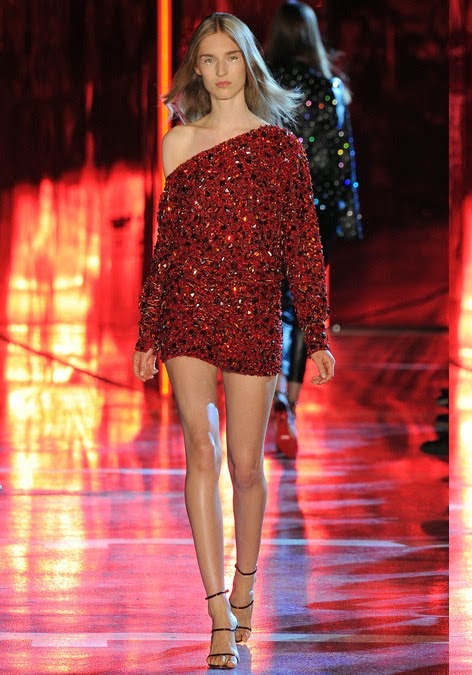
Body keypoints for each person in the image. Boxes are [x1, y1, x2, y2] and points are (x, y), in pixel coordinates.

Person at [132, 12, 335, 669]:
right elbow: (166, 247)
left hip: (252, 311)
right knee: (201, 447)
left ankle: (246, 583)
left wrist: (317, 332)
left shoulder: (281, 149)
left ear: (250, 63)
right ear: (195, 69)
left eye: (231, 58)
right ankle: (217, 608)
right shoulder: (178, 144)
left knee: (246, 466)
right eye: (208, 60)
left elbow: (303, 246)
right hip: (186, 312)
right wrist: (148, 329)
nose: (220, 71)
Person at [264, 0, 364, 457]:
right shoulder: (328, 87)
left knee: (268, 304)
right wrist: (346, 216)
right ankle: (291, 403)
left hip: (266, 207)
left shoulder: (261, 85)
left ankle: (272, 394)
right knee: (307, 307)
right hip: (316, 209)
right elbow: (341, 156)